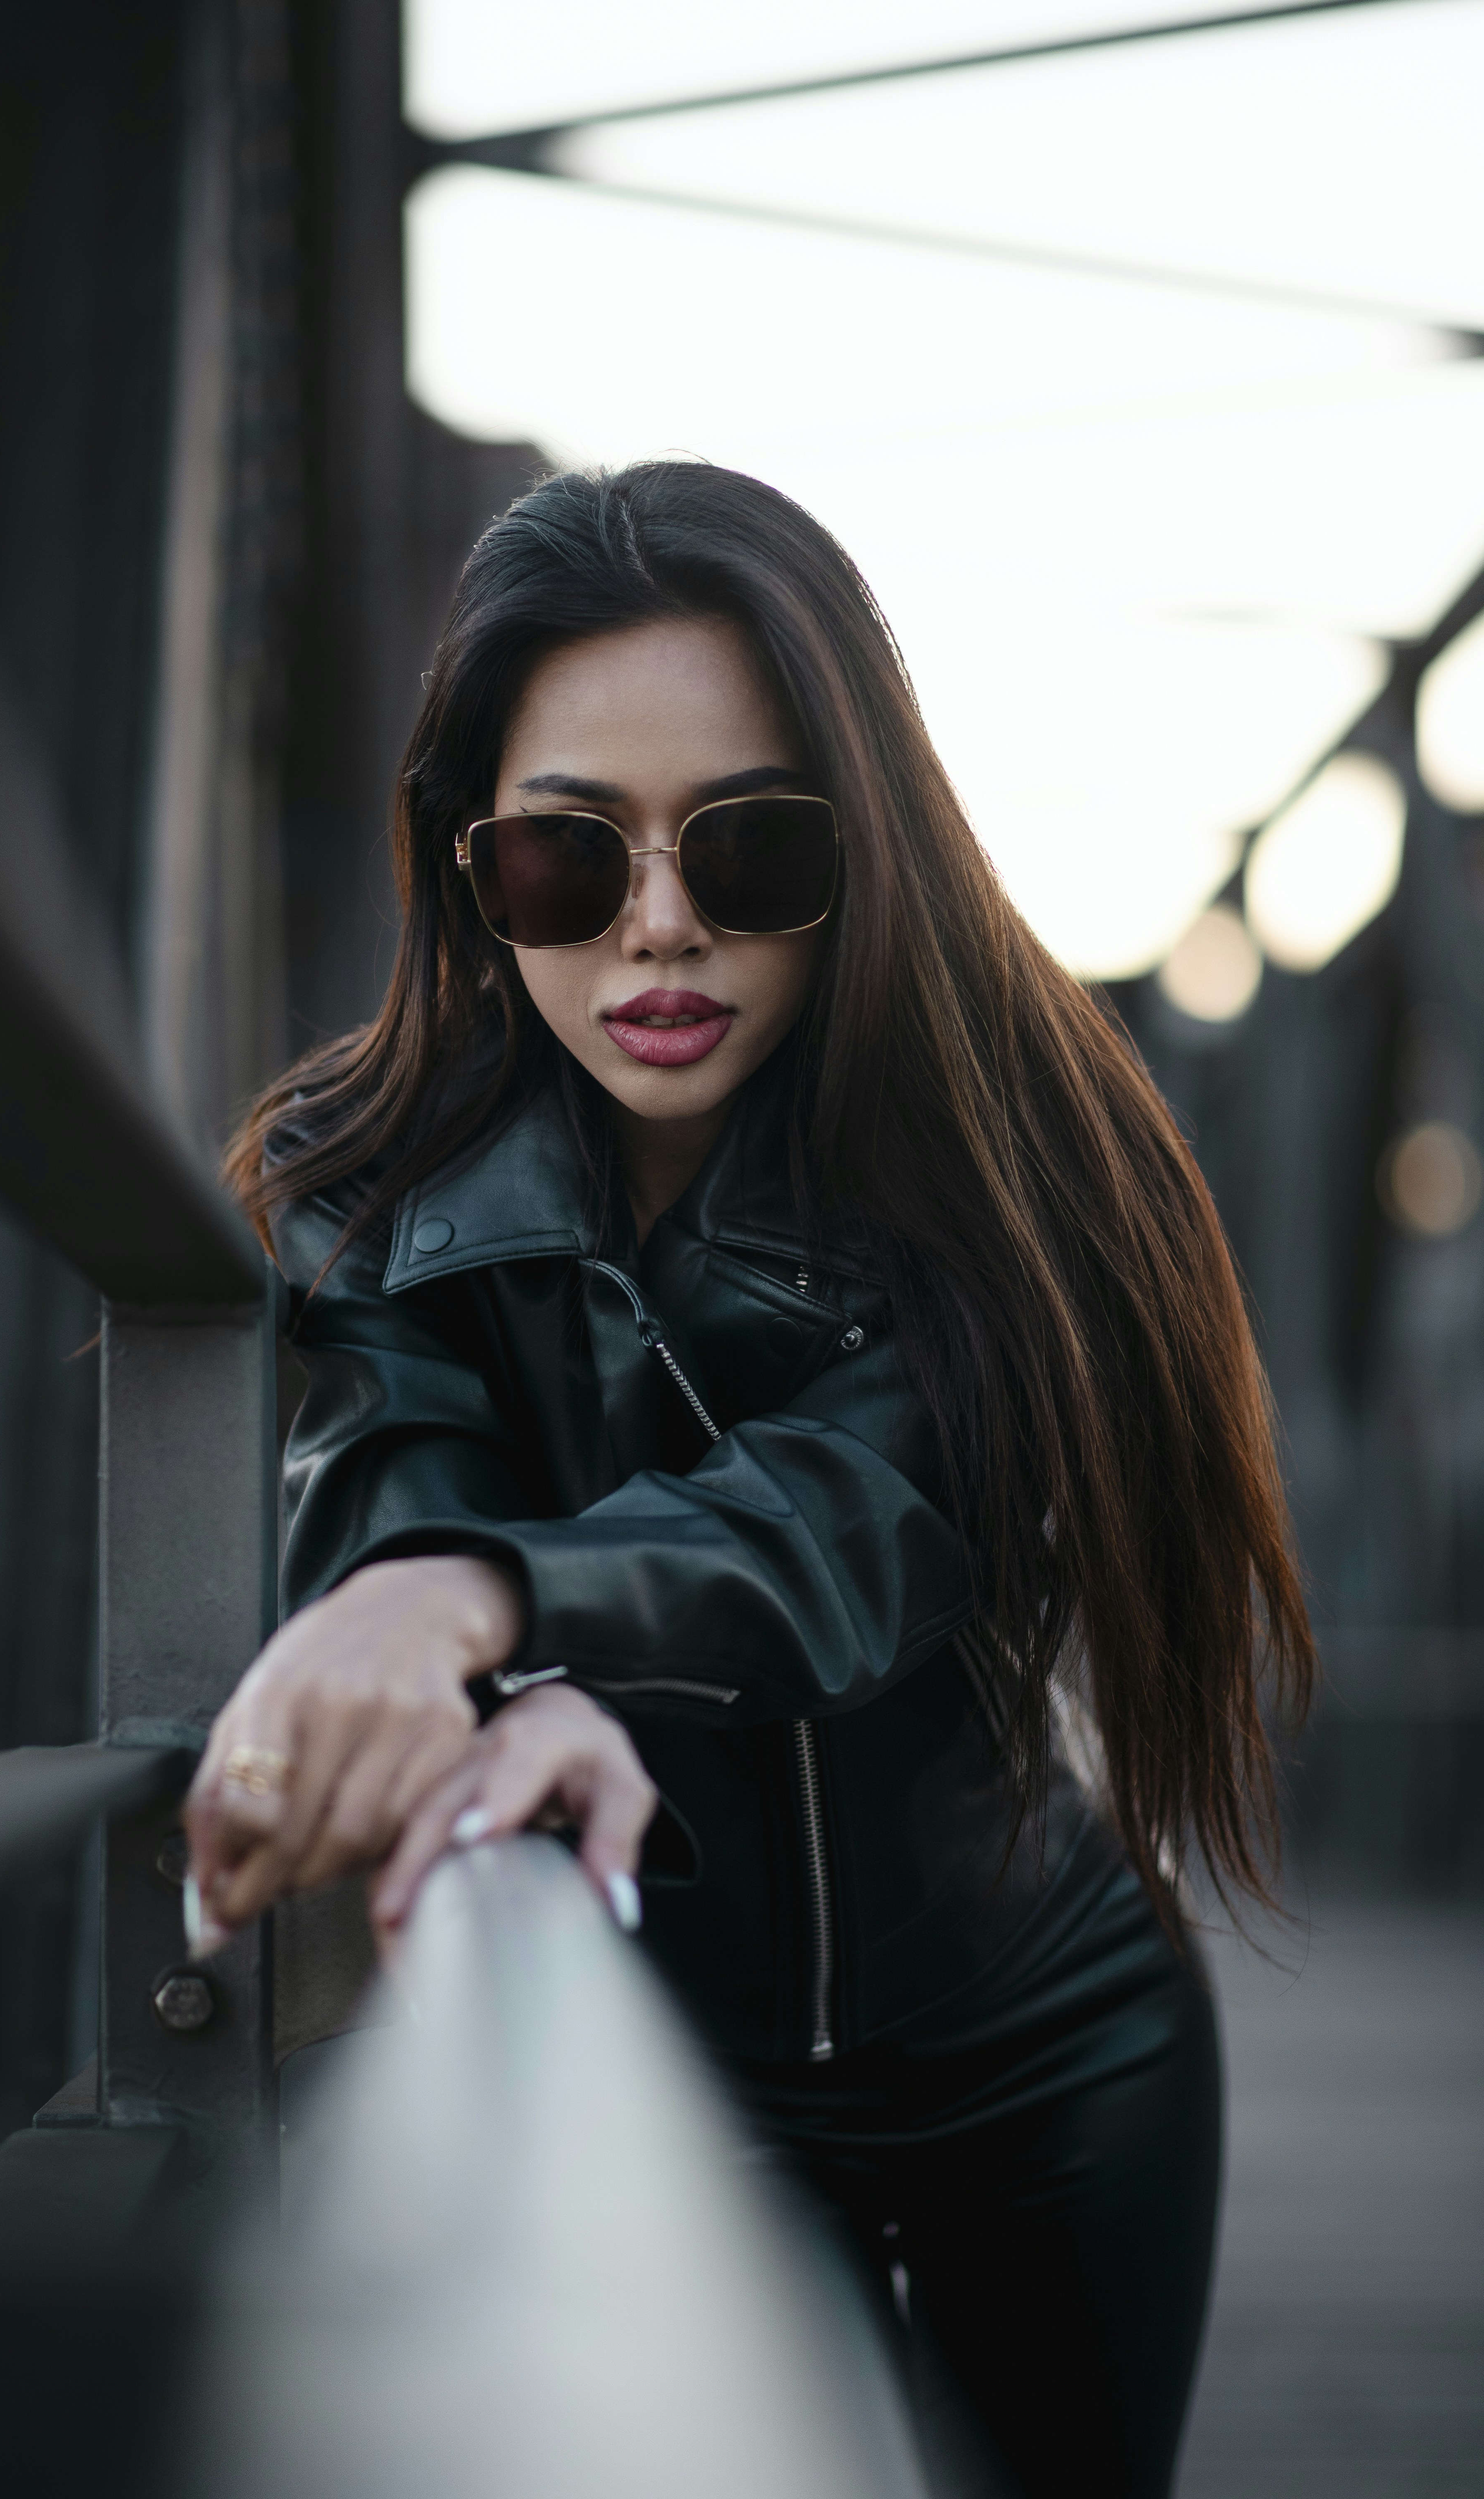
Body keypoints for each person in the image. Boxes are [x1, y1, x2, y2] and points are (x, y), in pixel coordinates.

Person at [184, 462, 1312, 2498]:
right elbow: (381, 1520)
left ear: (856, 852)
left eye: (749, 844)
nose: (660, 921)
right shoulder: (373, 1210)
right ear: (469, 872)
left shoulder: (1009, 1179)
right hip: (674, 2070)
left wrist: (494, 1613)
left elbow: (841, 1525)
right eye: (566, 858)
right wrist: (484, 1666)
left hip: (1048, 2047)